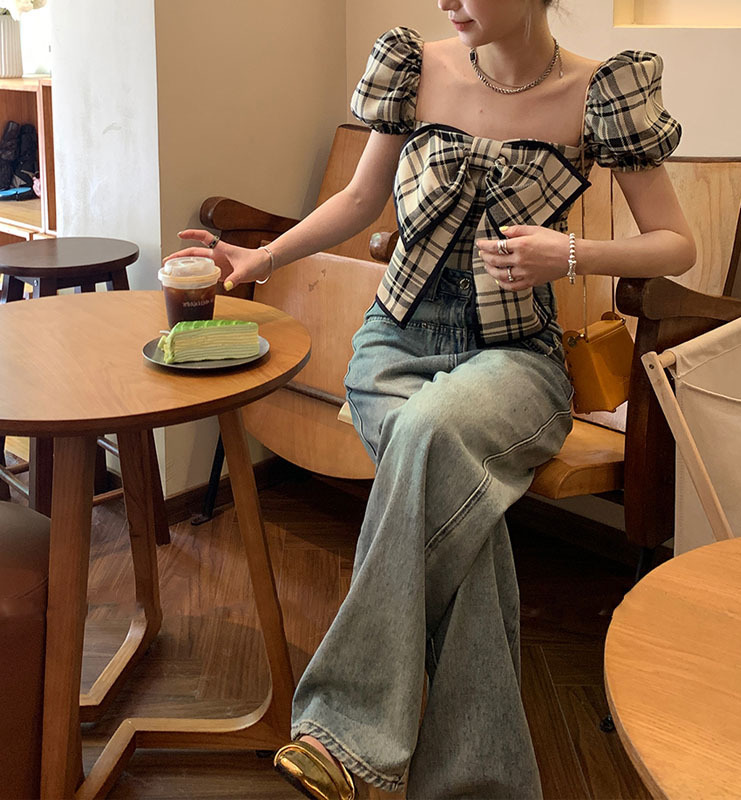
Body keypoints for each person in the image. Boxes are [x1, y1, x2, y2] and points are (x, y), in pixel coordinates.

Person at [166, 1, 695, 797]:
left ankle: (346, 734)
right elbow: (359, 200)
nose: (447, 0)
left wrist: (570, 253)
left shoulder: (601, 91)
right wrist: (262, 258)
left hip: (515, 355)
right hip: (393, 345)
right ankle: (480, 784)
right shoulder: (416, 66)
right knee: (451, 489)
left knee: (428, 437)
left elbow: (675, 243)